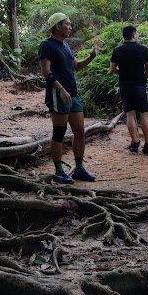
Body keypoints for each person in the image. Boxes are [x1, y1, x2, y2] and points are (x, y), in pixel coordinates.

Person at [39, 13, 101, 184]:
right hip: (58, 93)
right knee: (59, 133)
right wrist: (60, 89)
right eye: (67, 24)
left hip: (73, 94)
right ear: (57, 26)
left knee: (80, 132)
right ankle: (59, 171)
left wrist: (92, 55)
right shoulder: (46, 45)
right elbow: (46, 72)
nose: (70, 27)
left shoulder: (65, 46)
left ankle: (79, 169)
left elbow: (76, 66)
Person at [110, 25, 148, 154]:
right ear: (133, 35)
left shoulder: (117, 50)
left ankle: (134, 142)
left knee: (130, 114)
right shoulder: (143, 49)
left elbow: (112, 69)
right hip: (139, 85)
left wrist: (122, 73)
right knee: (143, 113)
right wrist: (143, 78)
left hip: (124, 85)